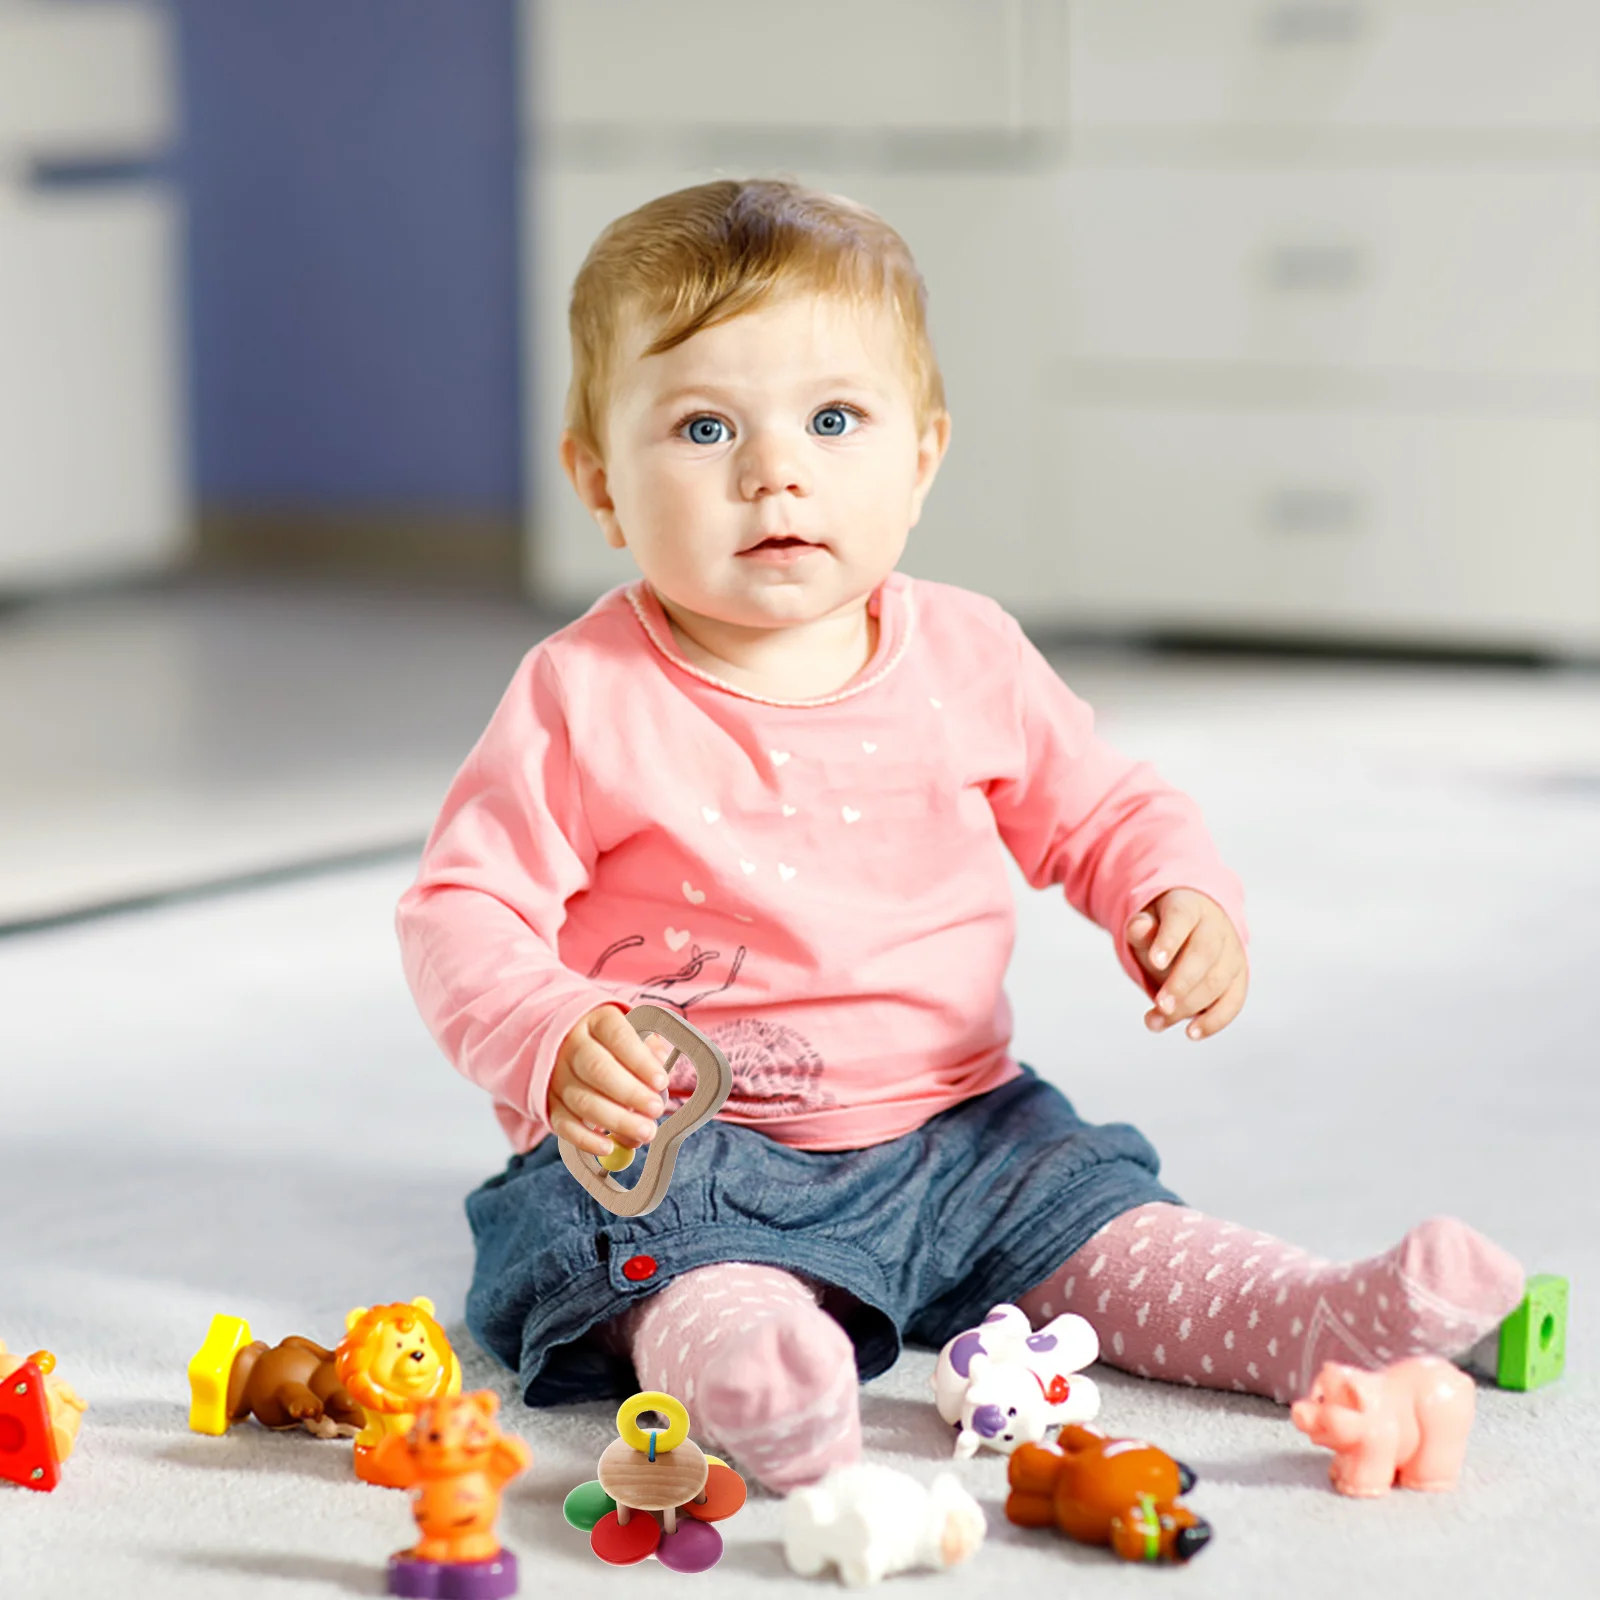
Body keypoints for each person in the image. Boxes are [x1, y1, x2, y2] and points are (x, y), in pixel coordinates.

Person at [396, 178, 1523, 1492]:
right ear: (599, 481)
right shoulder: (582, 693)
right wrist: (549, 1031)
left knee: (1095, 1215)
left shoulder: (971, 654)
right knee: (661, 1254)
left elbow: (1104, 805)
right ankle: (756, 1375)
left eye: (833, 420)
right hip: (693, 1145)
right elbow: (461, 909)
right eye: (705, 428)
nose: (775, 471)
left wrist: (1172, 891)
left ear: (922, 458)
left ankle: (1305, 1314)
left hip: (962, 1125)